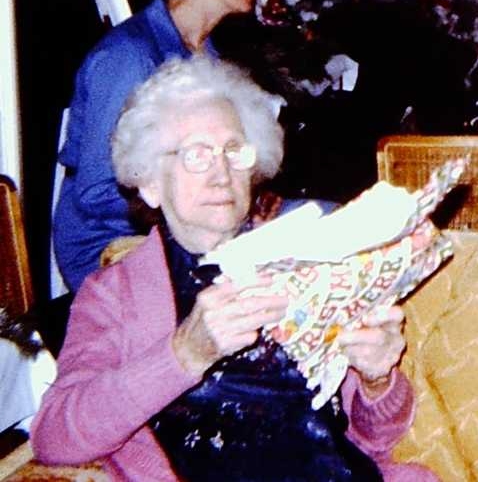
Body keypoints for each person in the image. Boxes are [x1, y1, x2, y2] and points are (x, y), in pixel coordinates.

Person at [32, 56, 436, 481]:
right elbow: (53, 437)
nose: (222, 173)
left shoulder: (310, 257)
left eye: (234, 151)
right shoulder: (114, 294)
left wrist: (376, 379)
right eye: (196, 155)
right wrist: (183, 354)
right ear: (150, 183)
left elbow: (372, 440)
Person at [54, 0, 268, 291]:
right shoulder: (128, 57)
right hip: (110, 241)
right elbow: (96, 192)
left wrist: (247, 194)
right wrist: (193, 201)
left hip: (187, 223)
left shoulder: (206, 54)